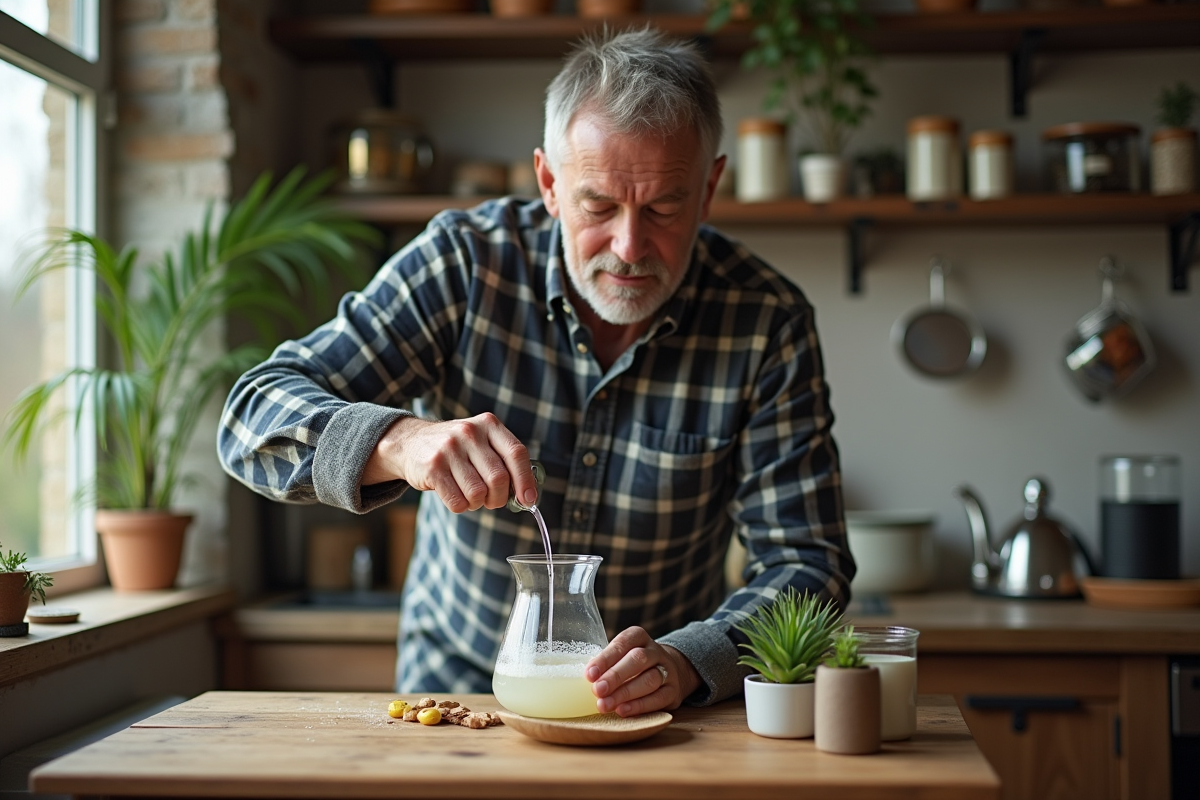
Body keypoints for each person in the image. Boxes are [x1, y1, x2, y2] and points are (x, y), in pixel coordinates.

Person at [219, 27, 853, 717]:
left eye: (665, 208)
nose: (631, 246)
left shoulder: (767, 321)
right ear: (549, 183)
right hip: (455, 692)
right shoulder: (464, 264)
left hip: (656, 712)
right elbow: (249, 417)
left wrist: (688, 659)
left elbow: (807, 565)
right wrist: (398, 442)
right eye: (599, 206)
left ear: (710, 187)